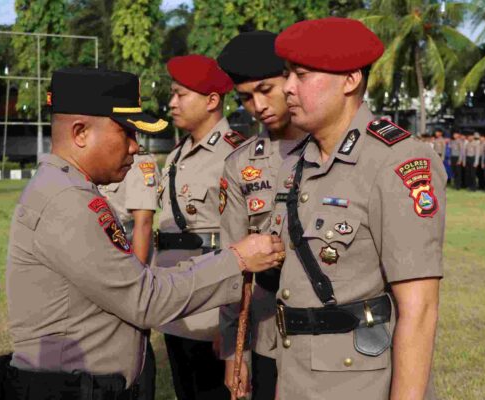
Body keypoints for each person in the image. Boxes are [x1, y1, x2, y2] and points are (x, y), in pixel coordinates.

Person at [0, 67, 285, 400]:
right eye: (126, 132)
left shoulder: (67, 188)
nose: (134, 147)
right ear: (80, 132)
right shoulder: (65, 200)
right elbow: (144, 298)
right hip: (70, 389)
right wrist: (236, 259)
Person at [272, 17, 445, 399]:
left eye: (301, 75)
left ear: (350, 80)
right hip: (297, 373)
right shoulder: (297, 162)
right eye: (287, 75)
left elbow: (419, 310)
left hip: (359, 383)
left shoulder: (396, 162)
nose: (287, 88)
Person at [216, 30, 307, 400]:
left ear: (291, 77)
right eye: (245, 98)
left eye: (265, 89)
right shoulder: (240, 163)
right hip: (272, 333)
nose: (257, 106)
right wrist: (231, 351)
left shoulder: (332, 150)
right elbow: (231, 264)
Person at [154, 54, 245, 400]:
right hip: (175, 308)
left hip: (211, 314)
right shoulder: (175, 156)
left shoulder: (235, 155)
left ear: (211, 101)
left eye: (181, 94)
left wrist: (232, 324)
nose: (171, 102)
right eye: (172, 94)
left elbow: (240, 245)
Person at [96, 144, 160, 400]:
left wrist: (136, 282)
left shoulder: (139, 161)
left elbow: (143, 224)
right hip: (99, 268)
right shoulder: (100, 156)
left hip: (125, 267)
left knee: (133, 342)